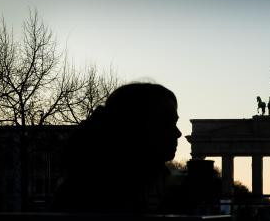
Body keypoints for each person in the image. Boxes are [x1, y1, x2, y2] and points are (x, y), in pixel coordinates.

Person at [51, 82, 182, 213]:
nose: (178, 133)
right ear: (135, 126)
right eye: (166, 123)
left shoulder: (87, 186)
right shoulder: (108, 197)